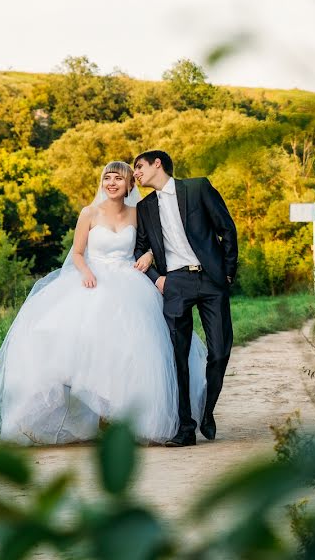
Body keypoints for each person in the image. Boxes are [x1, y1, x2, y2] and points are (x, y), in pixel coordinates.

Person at [0, 161, 206, 444]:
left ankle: (121, 416)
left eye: (118, 179)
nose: (111, 183)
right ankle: (71, 413)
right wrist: (86, 272)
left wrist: (148, 254)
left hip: (130, 283)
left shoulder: (139, 214)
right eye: (107, 178)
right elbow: (77, 253)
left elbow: (157, 242)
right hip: (93, 278)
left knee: (133, 348)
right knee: (59, 338)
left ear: (129, 185)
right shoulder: (89, 213)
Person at [133, 150, 238, 447]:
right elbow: (139, 249)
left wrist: (228, 272)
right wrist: (158, 279)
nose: (136, 173)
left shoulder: (197, 187)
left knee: (219, 351)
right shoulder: (144, 207)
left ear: (157, 164)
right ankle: (185, 428)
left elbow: (226, 229)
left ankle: (207, 411)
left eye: (139, 167)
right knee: (177, 358)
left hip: (211, 279)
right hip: (175, 283)